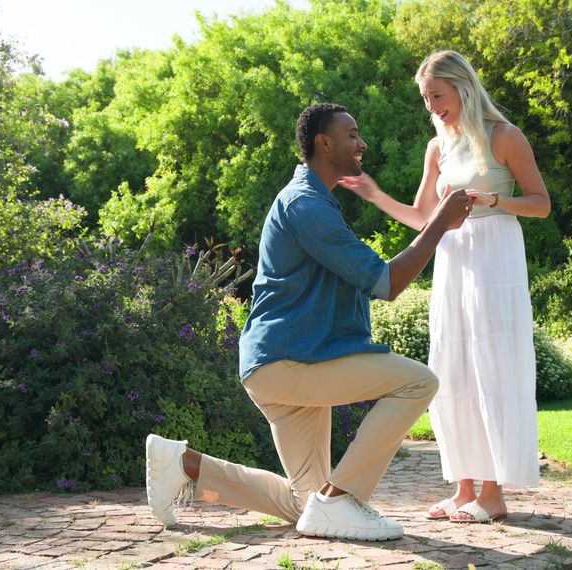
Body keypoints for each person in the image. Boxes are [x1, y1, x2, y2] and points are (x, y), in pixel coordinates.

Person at [144, 102, 474, 541]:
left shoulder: (315, 200)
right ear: (324, 142)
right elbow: (385, 282)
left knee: (306, 505)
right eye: (352, 135)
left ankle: (184, 465)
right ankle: (341, 500)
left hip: (288, 362)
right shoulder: (305, 205)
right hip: (289, 360)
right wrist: (438, 223)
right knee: (417, 382)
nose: (362, 143)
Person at [339, 50, 551, 523]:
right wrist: (375, 194)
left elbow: (541, 204)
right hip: (453, 260)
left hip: (496, 256)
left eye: (437, 95)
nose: (432, 106)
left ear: (463, 87)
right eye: (425, 98)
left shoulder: (505, 137)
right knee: (452, 368)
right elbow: (421, 218)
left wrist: (495, 199)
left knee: (490, 367)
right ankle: (463, 488)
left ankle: (493, 495)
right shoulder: (437, 148)